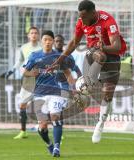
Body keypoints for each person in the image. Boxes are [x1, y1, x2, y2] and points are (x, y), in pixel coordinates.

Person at [46, 0, 127, 143]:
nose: (81, 19)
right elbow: (74, 43)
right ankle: (87, 83)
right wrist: (58, 61)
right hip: (93, 53)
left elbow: (116, 46)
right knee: (99, 55)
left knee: (108, 95)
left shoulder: (108, 20)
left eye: (84, 16)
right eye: (80, 16)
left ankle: (100, 124)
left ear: (92, 13)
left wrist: (104, 47)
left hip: (113, 58)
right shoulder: (81, 22)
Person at [22, 30, 86, 157]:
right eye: (45, 39)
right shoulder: (34, 55)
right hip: (39, 93)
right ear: (42, 41)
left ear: (52, 42)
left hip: (56, 92)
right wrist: (32, 73)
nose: (47, 42)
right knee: (43, 125)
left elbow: (68, 72)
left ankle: (57, 147)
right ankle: (49, 144)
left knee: (55, 116)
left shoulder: (60, 56)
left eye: (49, 40)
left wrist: (74, 86)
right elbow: (25, 72)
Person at [5, 26, 42, 139]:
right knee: (22, 104)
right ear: (28, 35)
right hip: (28, 80)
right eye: (32, 33)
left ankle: (52, 129)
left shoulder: (42, 47)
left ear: (38, 35)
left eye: (36, 33)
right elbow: (20, 60)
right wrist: (12, 70)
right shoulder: (24, 48)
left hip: (41, 79)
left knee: (44, 105)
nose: (34, 35)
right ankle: (23, 131)